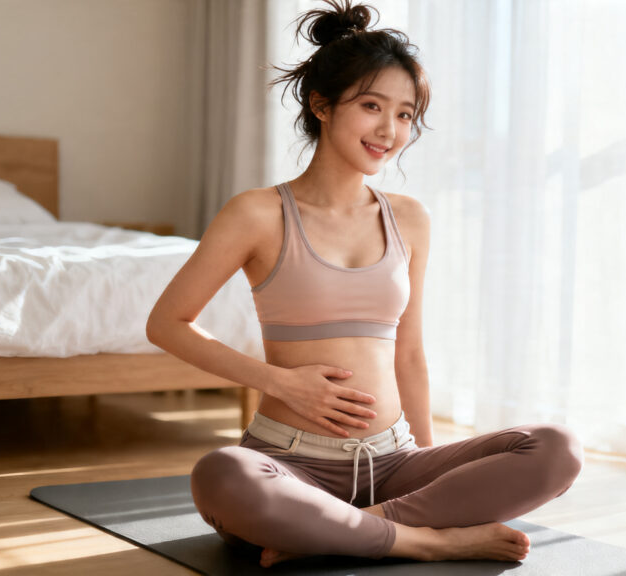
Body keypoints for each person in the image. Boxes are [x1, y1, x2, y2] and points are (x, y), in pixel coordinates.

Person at [146, 0, 583, 568]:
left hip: (394, 466)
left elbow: (410, 352)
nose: (389, 130)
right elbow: (166, 324)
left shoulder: (410, 218)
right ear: (321, 105)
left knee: (556, 448)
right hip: (290, 463)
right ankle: (427, 541)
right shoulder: (257, 214)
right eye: (372, 106)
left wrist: (431, 472)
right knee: (222, 474)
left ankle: (361, 529)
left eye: (405, 115)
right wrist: (283, 382)